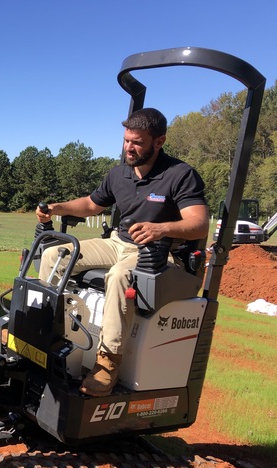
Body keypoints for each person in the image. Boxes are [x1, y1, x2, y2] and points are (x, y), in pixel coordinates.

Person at [36, 108, 209, 397]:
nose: (129, 147)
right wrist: (57, 208)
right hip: (118, 242)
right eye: (127, 140)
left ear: (159, 141)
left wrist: (161, 229)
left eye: (137, 142)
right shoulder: (119, 174)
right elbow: (92, 205)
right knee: (56, 255)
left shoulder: (180, 174)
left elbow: (199, 224)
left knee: (119, 277)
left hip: (158, 250)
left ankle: (107, 363)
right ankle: (47, 334)